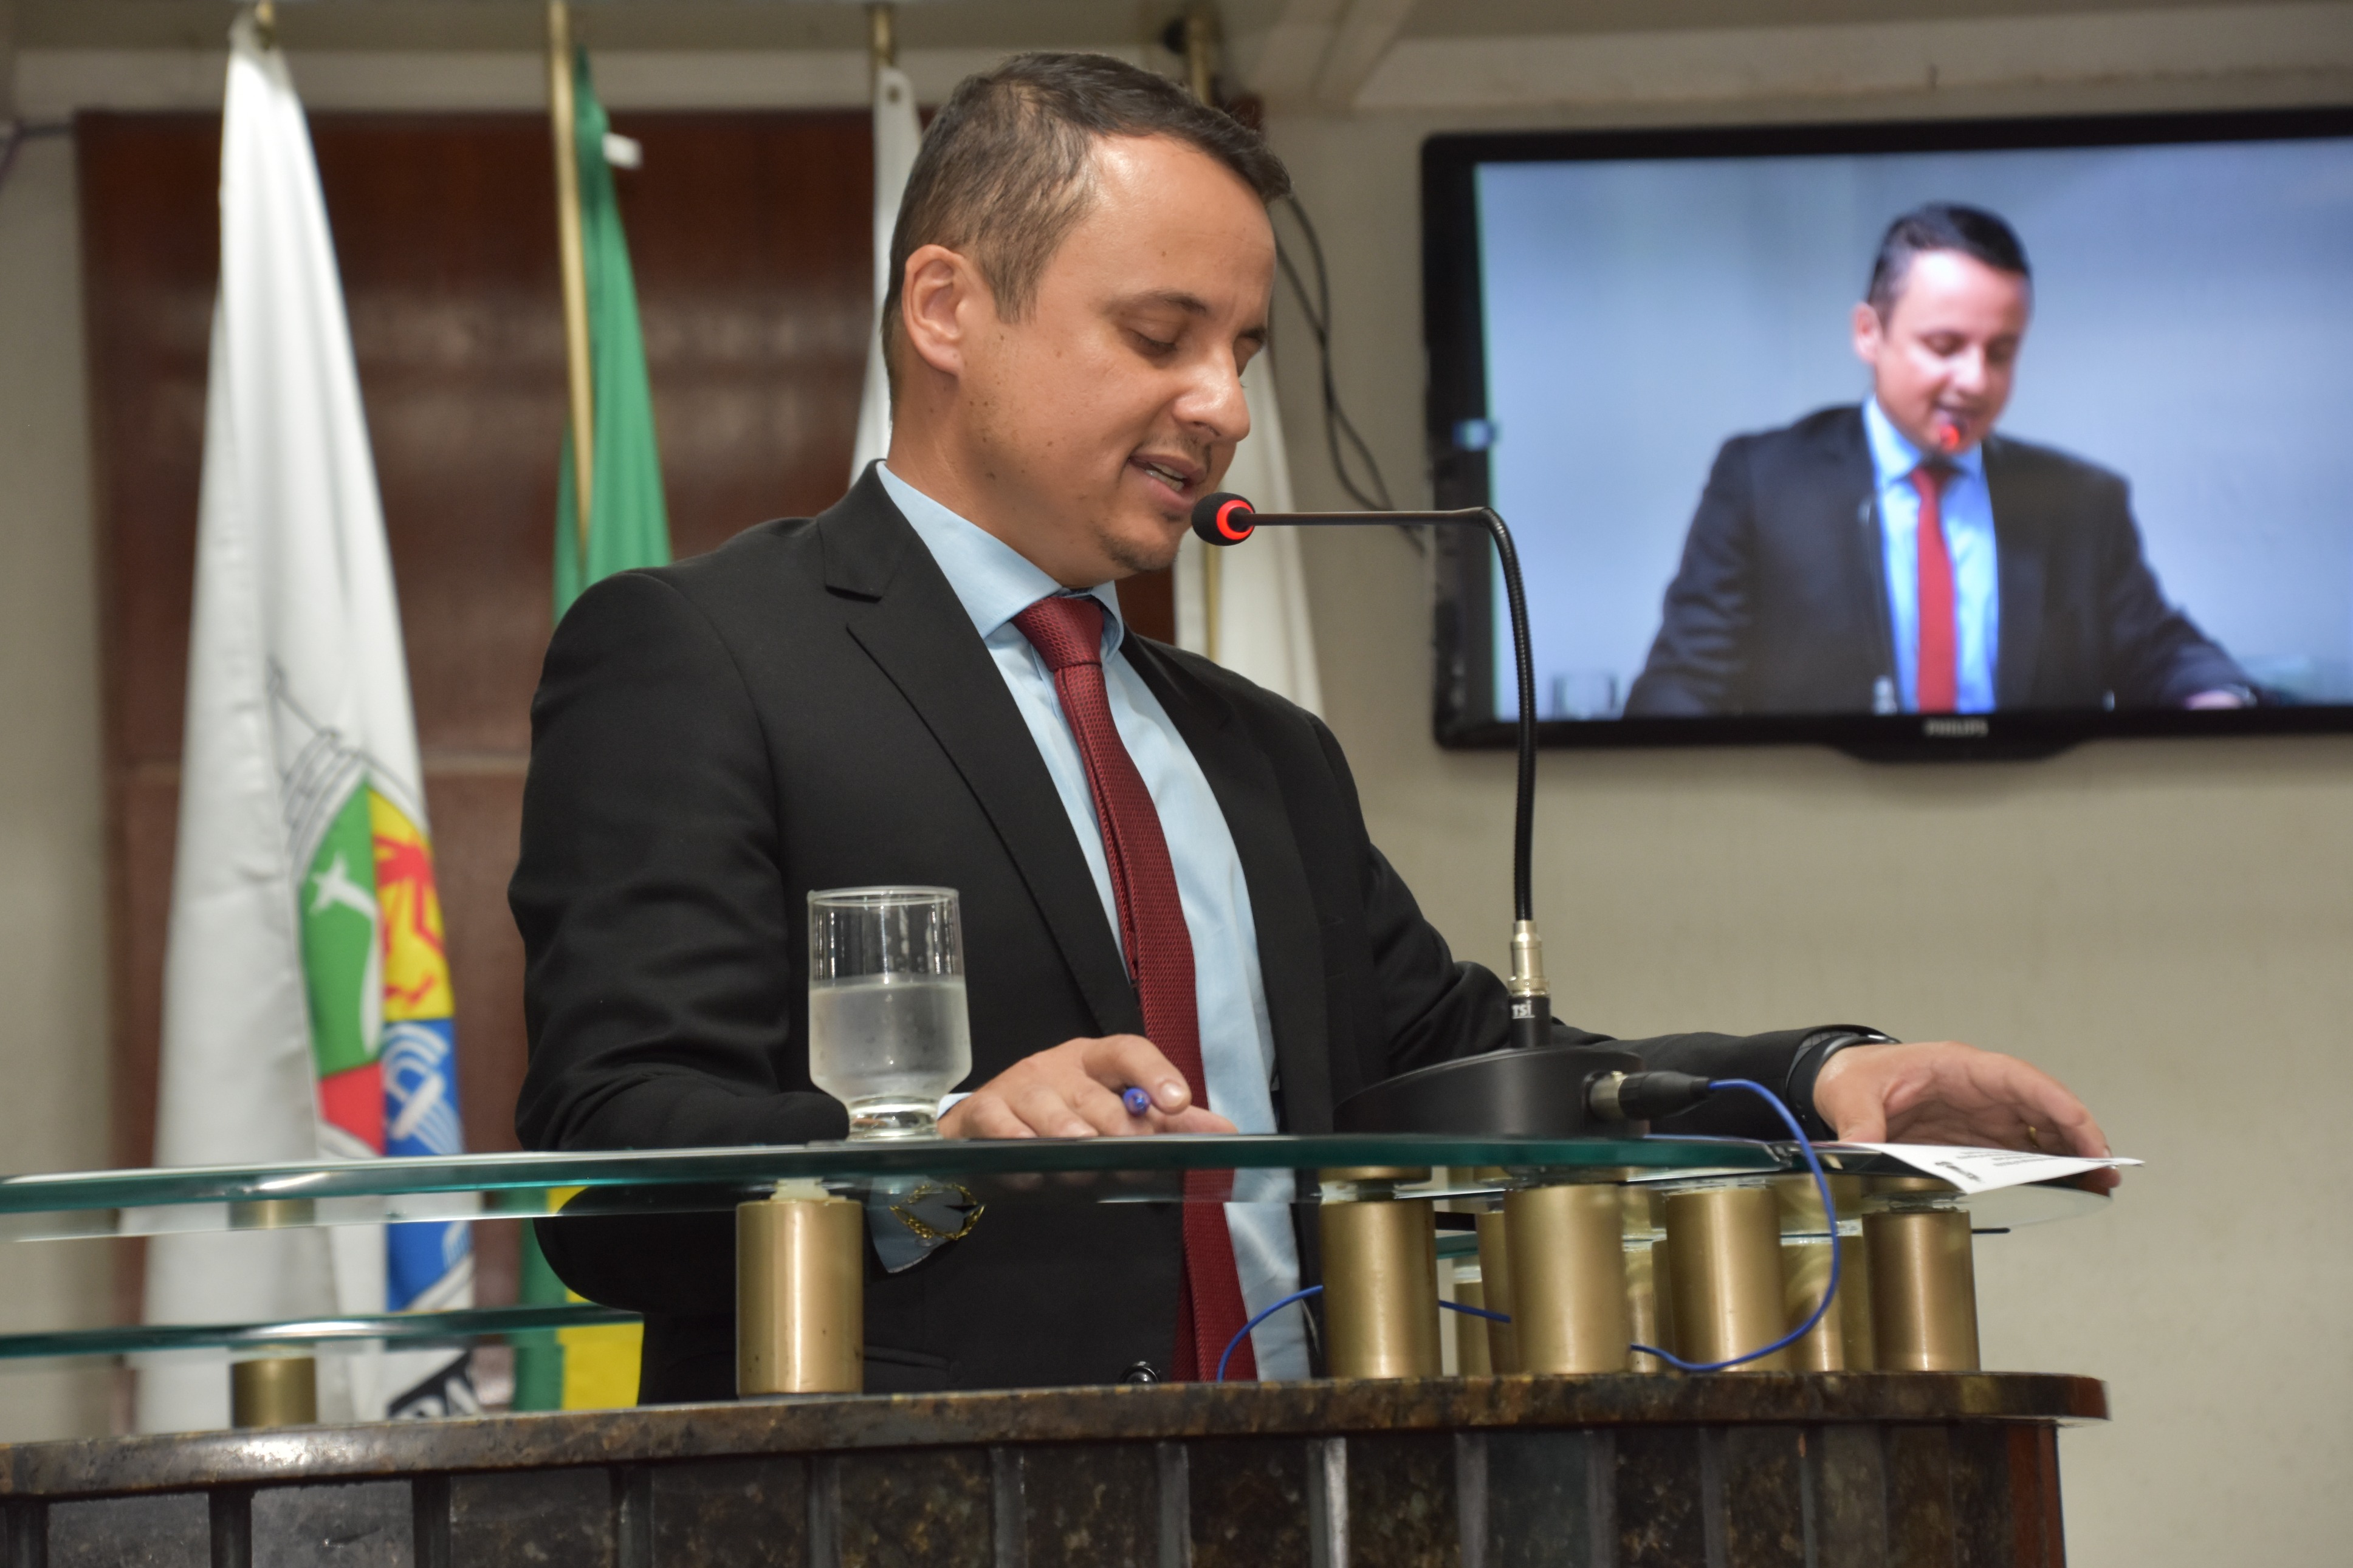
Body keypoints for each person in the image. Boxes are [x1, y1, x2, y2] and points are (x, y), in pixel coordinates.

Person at [511, 61, 2113, 1403]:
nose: (1221, 403)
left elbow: (1475, 1071)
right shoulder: (705, 655)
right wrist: (933, 1146)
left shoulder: (1263, 750)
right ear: (947, 306)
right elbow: (612, 1160)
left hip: (1311, 1484)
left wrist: (1822, 1074)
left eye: (1243, 350)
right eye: (1161, 337)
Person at [1626, 202, 2250, 718]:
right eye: (1944, 346)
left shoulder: (2078, 500)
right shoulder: (1763, 482)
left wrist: (2218, 700)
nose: (1975, 382)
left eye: (2000, 353)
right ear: (1869, 334)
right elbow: (1683, 683)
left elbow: (2163, 652)